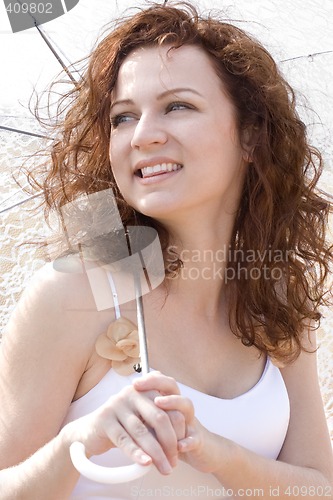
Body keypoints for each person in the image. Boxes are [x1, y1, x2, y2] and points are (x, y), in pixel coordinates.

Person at [0, 2, 332, 498]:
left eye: (177, 106)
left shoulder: (274, 295)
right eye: (122, 116)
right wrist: (77, 442)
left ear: (250, 134)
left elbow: (318, 487)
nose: (143, 135)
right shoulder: (72, 294)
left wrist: (219, 454)